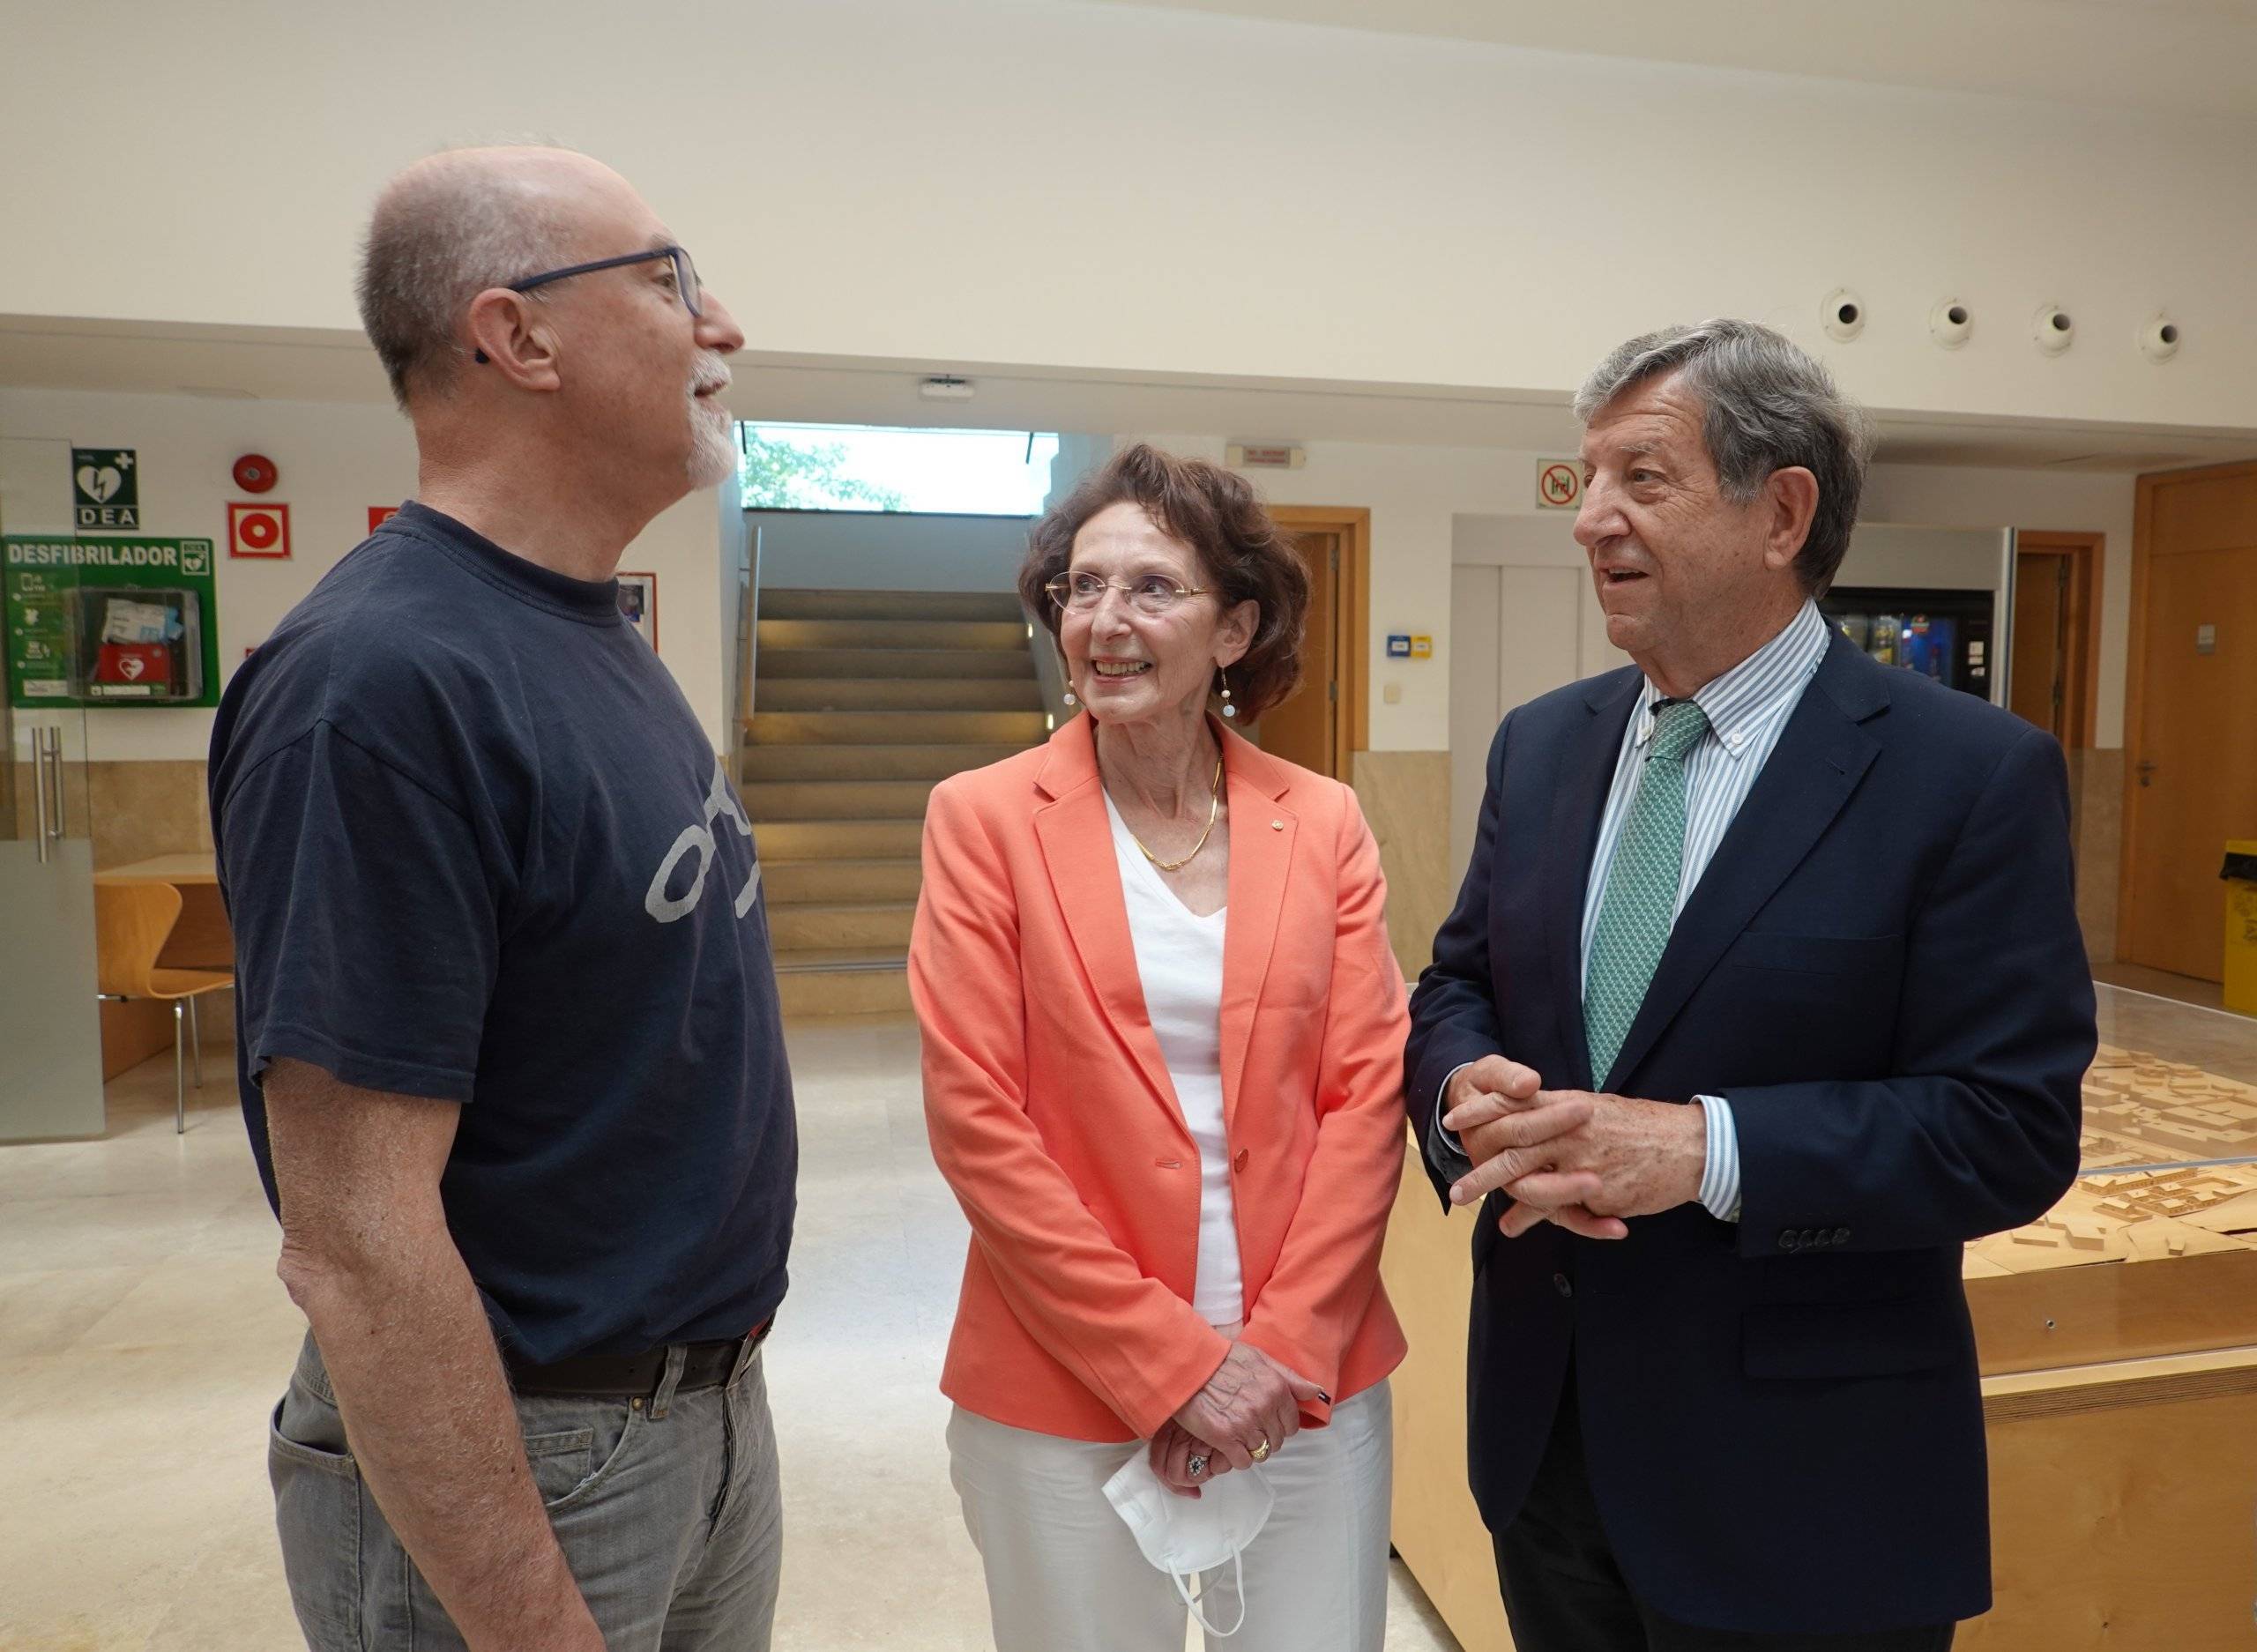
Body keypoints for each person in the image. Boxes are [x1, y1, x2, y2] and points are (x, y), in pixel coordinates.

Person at [1405, 320, 2095, 1652]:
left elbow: (2009, 1126)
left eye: (1640, 477)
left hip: (1808, 1492)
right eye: (1584, 476)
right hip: (1546, 1454)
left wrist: (1702, 1148)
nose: (1588, 515)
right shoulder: (1544, 747)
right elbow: (1457, 985)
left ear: (1782, 512)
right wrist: (1458, 1085)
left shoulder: (1968, 777)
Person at [210, 147, 795, 1652]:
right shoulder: (377, 687)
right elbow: (355, 1236)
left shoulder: (592, 633)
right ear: (517, 336)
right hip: (529, 1455)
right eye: (670, 280)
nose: (719, 322)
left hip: (704, 1417)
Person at [911, 443, 1410, 1651]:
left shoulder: (1323, 821)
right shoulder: (981, 820)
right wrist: (1173, 1364)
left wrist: (1275, 1354)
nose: (1105, 620)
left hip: (1308, 1373)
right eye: (1082, 588)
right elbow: (982, 1126)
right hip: (1061, 1370)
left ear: (1234, 628)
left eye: (1152, 588)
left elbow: (1365, 1094)